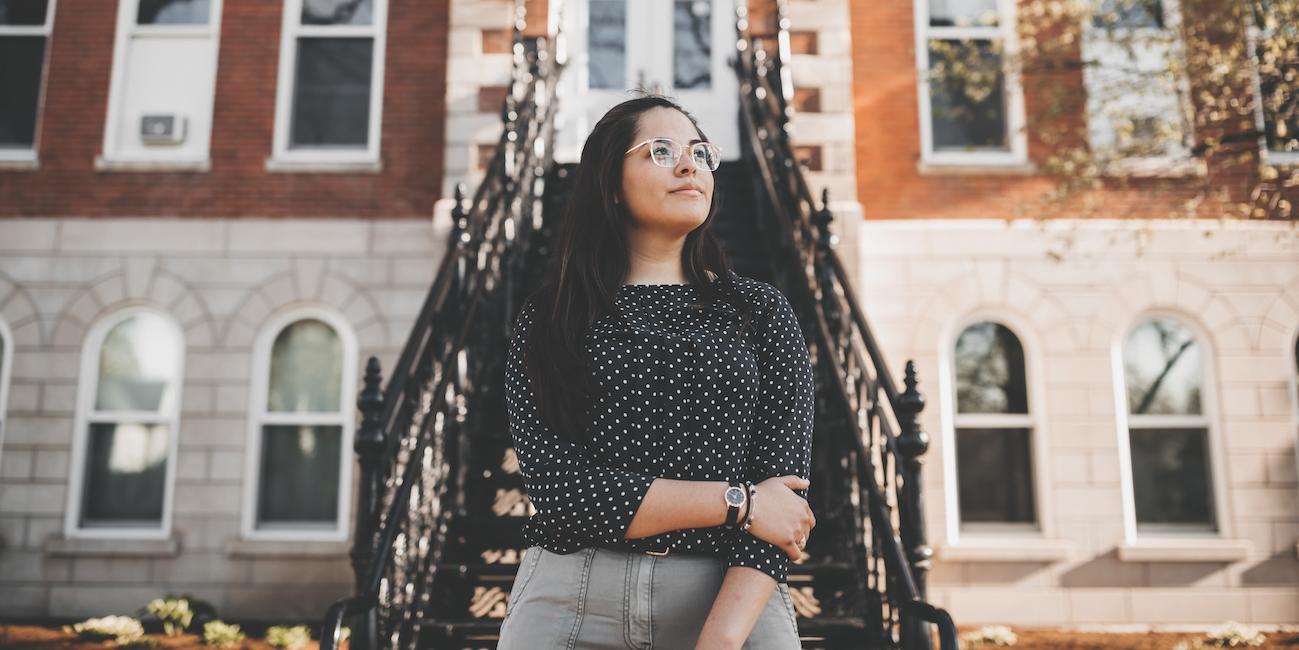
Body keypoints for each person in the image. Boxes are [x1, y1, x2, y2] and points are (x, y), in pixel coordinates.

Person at [497, 92, 815, 650]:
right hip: (571, 598)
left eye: (699, 151)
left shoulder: (761, 311)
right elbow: (560, 492)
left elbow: (783, 502)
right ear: (611, 184)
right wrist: (740, 503)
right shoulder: (552, 316)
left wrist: (718, 643)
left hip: (731, 602)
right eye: (661, 151)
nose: (689, 164)